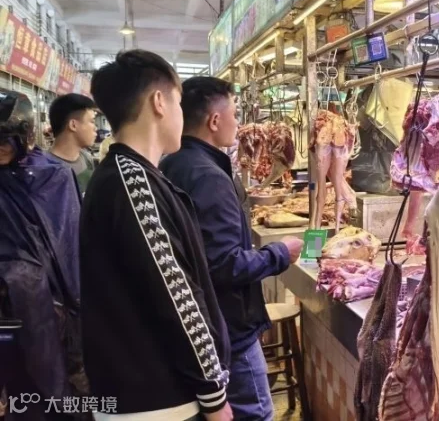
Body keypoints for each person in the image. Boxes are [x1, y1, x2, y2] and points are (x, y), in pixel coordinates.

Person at [80, 50, 232, 421]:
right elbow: (178, 298)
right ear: (159, 102)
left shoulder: (131, 175)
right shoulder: (132, 184)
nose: (181, 113)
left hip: (151, 397)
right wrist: (215, 397)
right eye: (178, 102)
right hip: (158, 402)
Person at [161, 77, 302, 420]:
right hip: (229, 330)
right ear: (214, 120)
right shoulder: (208, 176)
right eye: (235, 114)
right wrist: (279, 253)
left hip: (202, 324)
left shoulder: (173, 163)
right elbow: (224, 265)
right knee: (255, 413)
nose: (238, 123)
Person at [0, 88, 86, 420]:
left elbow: (70, 246)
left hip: (48, 306)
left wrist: (77, 303)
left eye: (6, 140)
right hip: (10, 302)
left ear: (24, 136)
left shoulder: (52, 176)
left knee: (51, 388)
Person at [48, 94, 97, 194]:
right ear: (73, 125)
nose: (95, 128)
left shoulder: (87, 159)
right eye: (92, 121)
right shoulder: (46, 169)